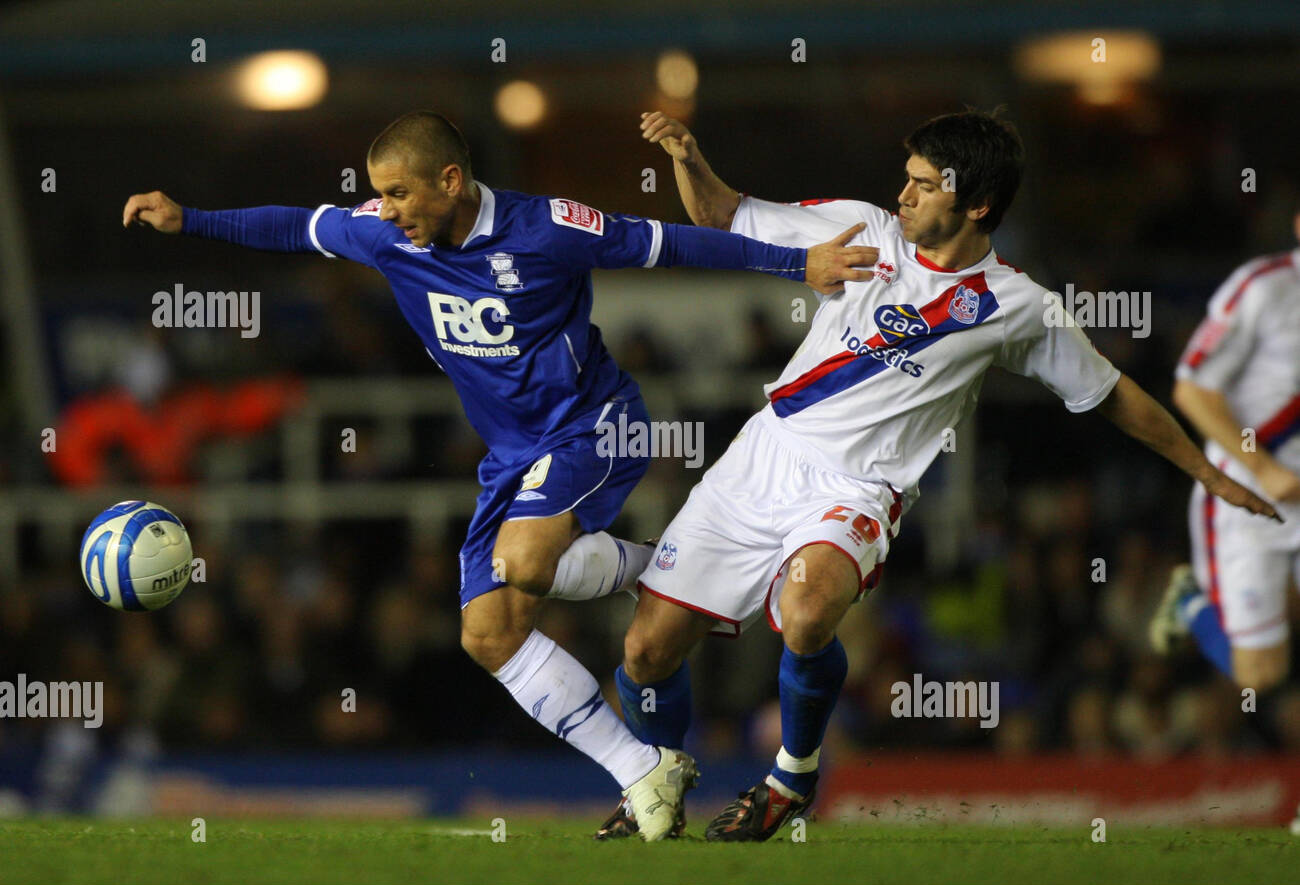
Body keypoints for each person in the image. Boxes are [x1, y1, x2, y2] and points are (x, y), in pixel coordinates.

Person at [122, 110, 877, 841]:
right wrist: (190, 219)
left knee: (521, 562)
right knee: (486, 635)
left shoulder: (546, 228)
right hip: (513, 456)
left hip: (595, 426)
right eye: (379, 193)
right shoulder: (386, 237)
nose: (385, 210)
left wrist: (796, 263)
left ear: (450, 180)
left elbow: (667, 243)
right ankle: (643, 769)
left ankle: (686, 579)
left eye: (399, 193)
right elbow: (293, 225)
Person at [591, 108, 1280, 842]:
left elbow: (1111, 395)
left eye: (924, 184)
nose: (905, 195)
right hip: (764, 457)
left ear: (976, 204)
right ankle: (659, 773)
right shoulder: (862, 229)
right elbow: (726, 213)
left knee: (806, 611)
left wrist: (1208, 471)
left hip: (856, 490)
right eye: (908, 178)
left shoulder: (1017, 305)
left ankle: (790, 776)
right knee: (644, 651)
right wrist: (687, 158)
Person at [1150, 212, 1300, 695]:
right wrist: (1263, 467)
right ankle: (1193, 603)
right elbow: (1193, 390)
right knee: (1261, 675)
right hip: (1248, 495)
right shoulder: (1263, 289)